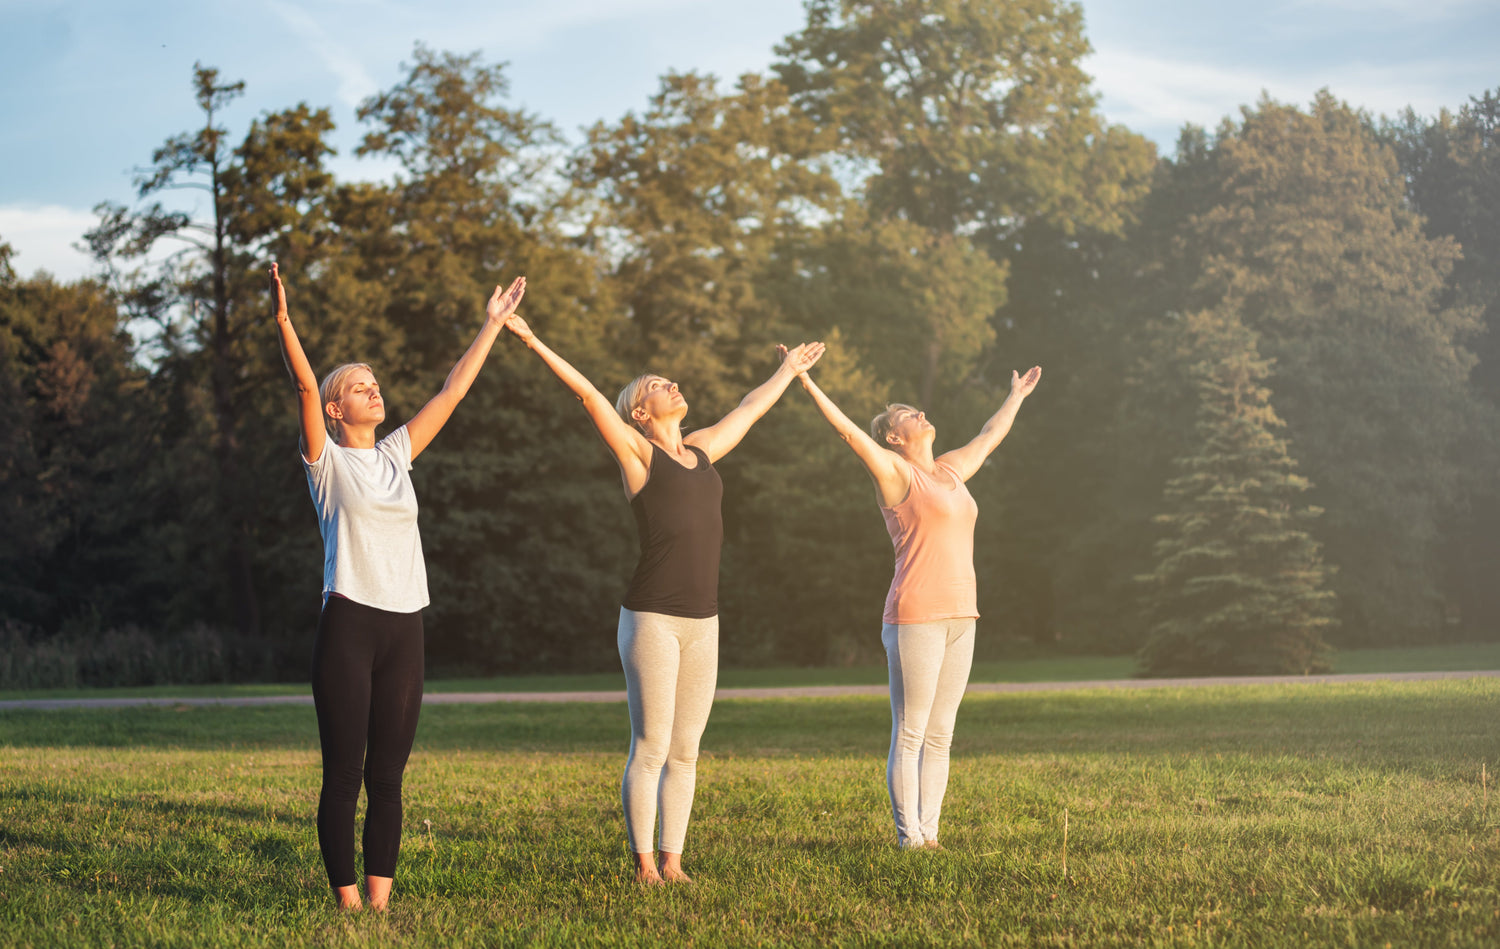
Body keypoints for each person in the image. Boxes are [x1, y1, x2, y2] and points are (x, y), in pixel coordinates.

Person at [501, 311, 823, 883]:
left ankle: (674, 860)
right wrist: (532, 340)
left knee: (687, 749)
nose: (672, 384)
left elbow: (748, 409)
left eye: (669, 380)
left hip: (705, 621)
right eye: (657, 385)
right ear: (641, 412)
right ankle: (643, 865)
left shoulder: (700, 451)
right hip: (651, 617)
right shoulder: (638, 455)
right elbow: (588, 394)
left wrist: (787, 371)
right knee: (650, 745)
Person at [270, 262, 526, 909]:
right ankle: (347, 902)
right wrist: (282, 320)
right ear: (336, 408)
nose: (373, 391)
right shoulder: (324, 462)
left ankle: (379, 907)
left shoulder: (395, 454)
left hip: (405, 623)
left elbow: (452, 391)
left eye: (375, 384)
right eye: (359, 387)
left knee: (388, 777)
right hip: (349, 623)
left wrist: (491, 324)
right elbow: (302, 382)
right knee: (344, 775)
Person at [787, 352, 1040, 850]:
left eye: (917, 411)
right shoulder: (896, 475)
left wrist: (1015, 397)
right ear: (894, 437)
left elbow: (989, 437)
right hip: (915, 617)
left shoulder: (949, 472)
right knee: (911, 732)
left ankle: (931, 836)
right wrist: (805, 381)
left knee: (942, 734)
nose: (920, 415)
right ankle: (909, 838)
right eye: (908, 415)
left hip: (963, 616)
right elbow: (849, 433)